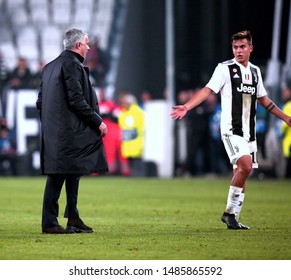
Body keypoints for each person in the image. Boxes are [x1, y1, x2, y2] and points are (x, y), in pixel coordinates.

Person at [171, 30, 291, 230]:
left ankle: (233, 216)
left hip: (248, 131)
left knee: (241, 171)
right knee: (245, 166)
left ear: (250, 48)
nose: (238, 51)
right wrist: (187, 106)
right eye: (235, 47)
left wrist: (285, 117)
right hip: (231, 129)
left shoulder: (255, 72)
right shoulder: (224, 69)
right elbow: (208, 90)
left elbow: (264, 100)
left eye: (242, 46)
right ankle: (228, 213)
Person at [36, 28, 108, 234]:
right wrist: (97, 121)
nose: (89, 46)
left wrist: (50, 124)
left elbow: (40, 102)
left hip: (58, 132)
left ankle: (73, 218)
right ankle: (49, 223)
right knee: (58, 175)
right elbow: (76, 100)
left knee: (72, 172)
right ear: (78, 45)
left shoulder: (50, 67)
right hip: (69, 132)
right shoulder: (72, 65)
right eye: (86, 43)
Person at [118, 92, 145, 177]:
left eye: (125, 102)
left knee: (137, 160)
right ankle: (133, 175)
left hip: (136, 141)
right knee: (130, 160)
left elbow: (141, 126)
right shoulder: (123, 113)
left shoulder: (139, 112)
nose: (124, 104)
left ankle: (139, 175)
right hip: (127, 141)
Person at [281, 77, 291, 178]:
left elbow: (284, 126)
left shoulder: (288, 106)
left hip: (289, 141)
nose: (283, 93)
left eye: (285, 91)